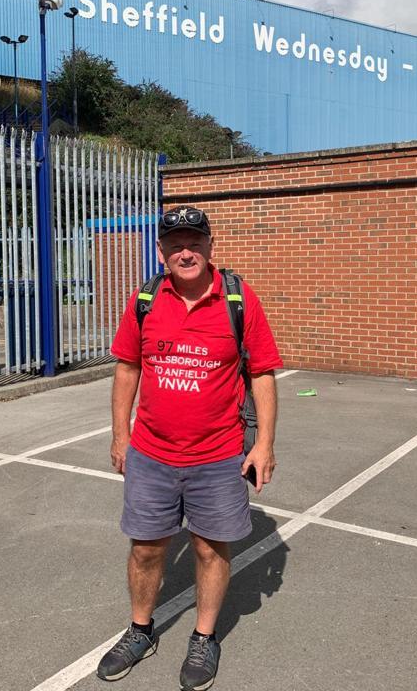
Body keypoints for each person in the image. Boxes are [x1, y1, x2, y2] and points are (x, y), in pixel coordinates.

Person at [96, 205, 282, 691]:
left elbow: (261, 373)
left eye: (194, 242)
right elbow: (127, 369)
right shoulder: (144, 300)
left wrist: (263, 444)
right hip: (151, 453)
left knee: (208, 546)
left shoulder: (238, 299)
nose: (186, 251)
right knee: (146, 549)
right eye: (176, 243)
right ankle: (140, 630)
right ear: (161, 251)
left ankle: (204, 636)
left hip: (218, 456)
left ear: (210, 246)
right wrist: (120, 436)